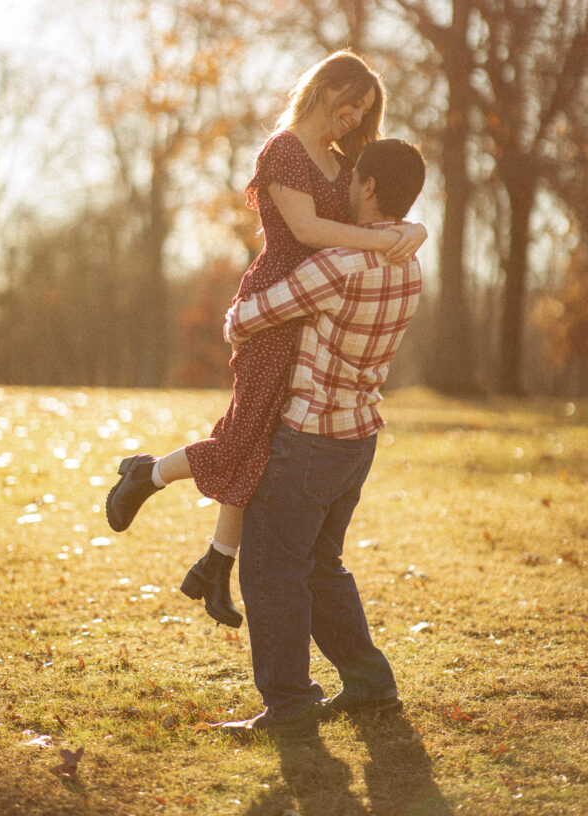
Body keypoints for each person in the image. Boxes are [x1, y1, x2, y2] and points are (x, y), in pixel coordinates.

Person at [106, 51, 426, 627]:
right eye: (350, 101)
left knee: (263, 444)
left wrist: (414, 226)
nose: (355, 116)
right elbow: (304, 230)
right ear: (324, 87)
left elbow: (391, 189)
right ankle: (146, 475)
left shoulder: (339, 158)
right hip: (276, 302)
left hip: (315, 304)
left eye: (366, 109)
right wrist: (384, 242)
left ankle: (216, 564)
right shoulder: (283, 151)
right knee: (245, 438)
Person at [215, 137, 426, 737]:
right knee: (320, 566)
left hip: (308, 438)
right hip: (358, 438)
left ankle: (289, 703)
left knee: (271, 568)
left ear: (366, 187)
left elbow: (243, 321)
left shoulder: (336, 264)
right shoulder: (409, 261)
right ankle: (369, 683)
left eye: (353, 177)